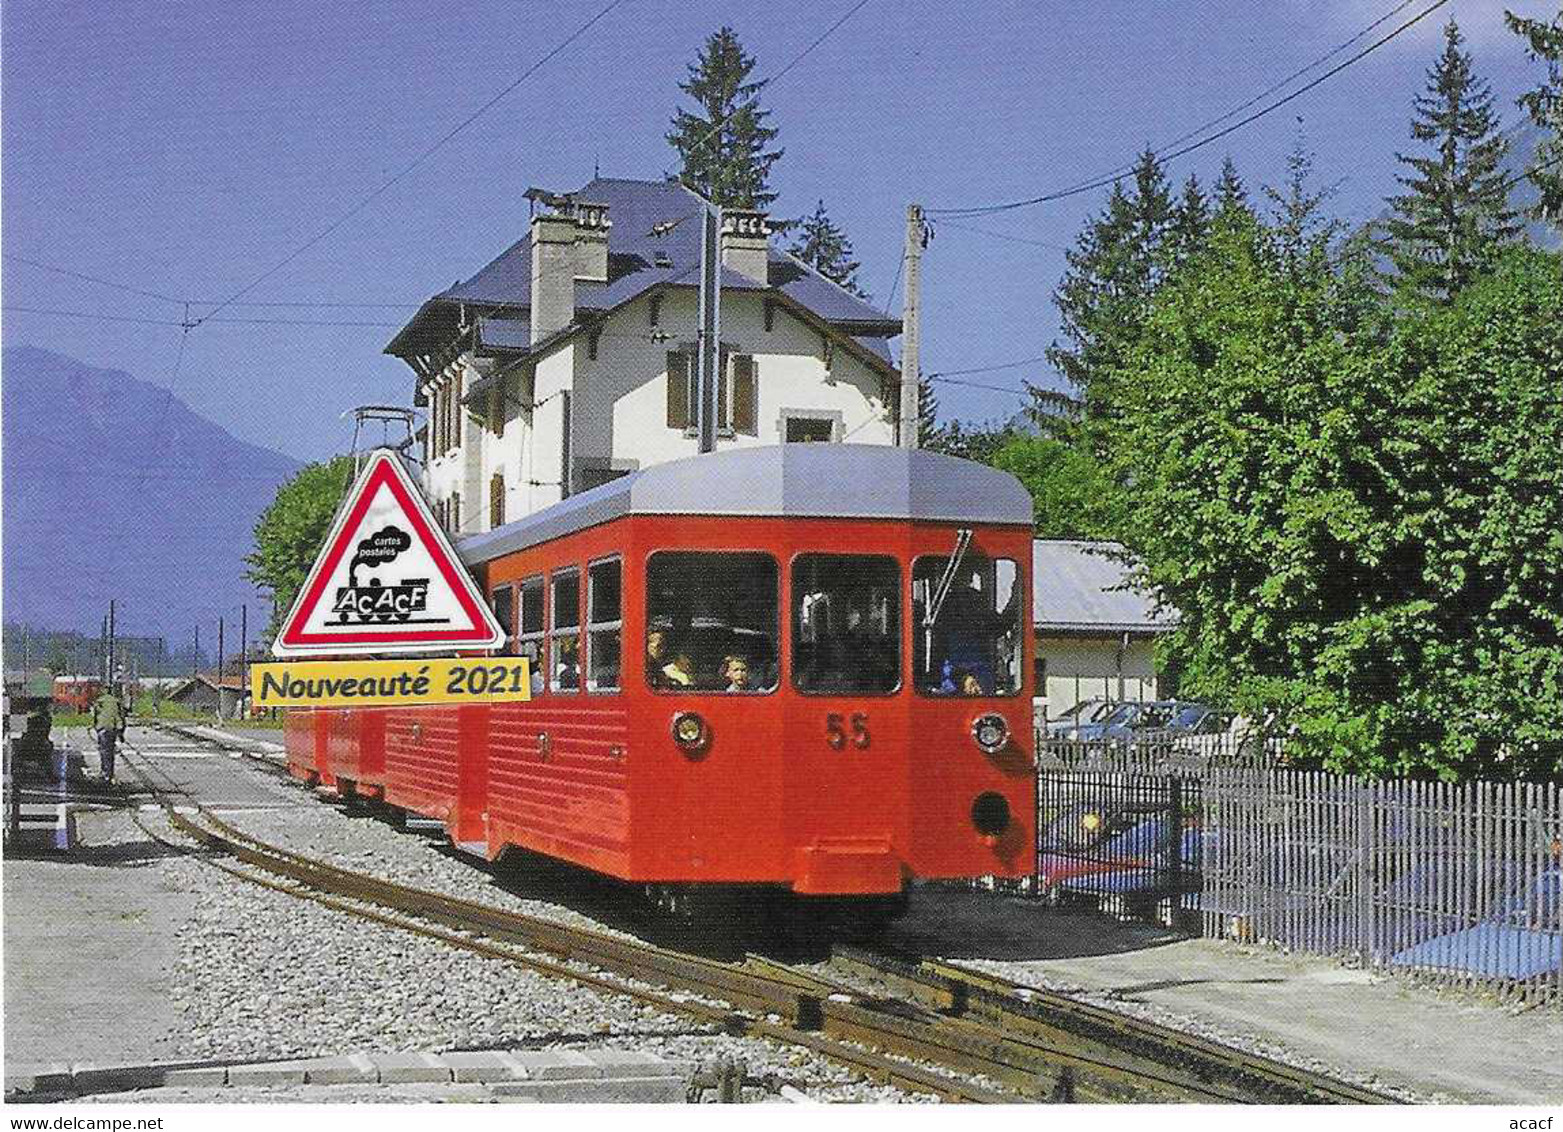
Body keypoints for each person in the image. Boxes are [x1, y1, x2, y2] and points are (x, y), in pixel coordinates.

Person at [91, 686, 127, 784]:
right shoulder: (116, 702)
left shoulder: (99, 701)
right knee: (110, 752)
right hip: (113, 728)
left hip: (102, 727)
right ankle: (109, 773)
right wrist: (121, 732)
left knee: (103, 750)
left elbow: (94, 716)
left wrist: (95, 726)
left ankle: (105, 772)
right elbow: (121, 717)